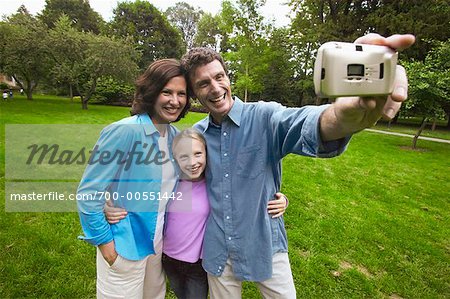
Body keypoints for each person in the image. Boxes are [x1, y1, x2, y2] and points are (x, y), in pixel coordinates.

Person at [177, 33, 415, 298]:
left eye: (219, 76)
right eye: (203, 83)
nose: (215, 87)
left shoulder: (265, 117)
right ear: (194, 94)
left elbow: (304, 123)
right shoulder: (196, 135)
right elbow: (176, 181)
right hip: (218, 248)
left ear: (227, 77)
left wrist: (340, 117)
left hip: (265, 242)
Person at [105, 128, 289, 299]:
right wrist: (108, 205)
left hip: (198, 264)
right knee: (181, 294)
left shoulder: (215, 185)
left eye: (198, 154)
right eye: (183, 157)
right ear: (174, 159)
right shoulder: (170, 183)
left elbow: (249, 194)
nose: (192, 163)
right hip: (167, 258)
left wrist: (281, 200)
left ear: (207, 154)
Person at [77, 58, 190, 299]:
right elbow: (88, 193)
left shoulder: (175, 137)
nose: (175, 100)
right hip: (124, 244)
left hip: (157, 241)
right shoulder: (124, 131)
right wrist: (105, 244)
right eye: (166, 92)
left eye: (181, 93)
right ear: (151, 92)